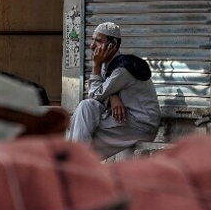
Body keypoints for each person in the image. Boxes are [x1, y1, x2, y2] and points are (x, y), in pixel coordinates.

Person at [67, 22, 160, 159]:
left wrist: (95, 66)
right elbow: (99, 94)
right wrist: (112, 96)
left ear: (112, 44)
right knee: (85, 108)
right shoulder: (108, 65)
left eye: (98, 41)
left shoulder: (123, 69)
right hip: (123, 120)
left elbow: (95, 94)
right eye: (92, 40)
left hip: (140, 125)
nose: (92, 46)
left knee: (82, 131)